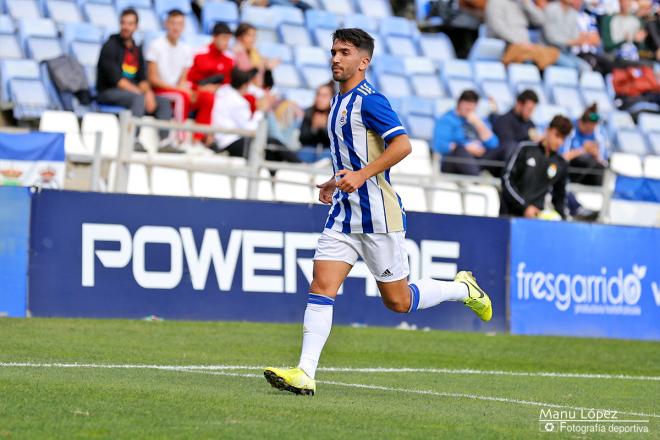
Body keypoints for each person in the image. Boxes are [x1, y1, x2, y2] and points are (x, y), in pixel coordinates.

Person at [263, 28, 492, 396]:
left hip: (378, 217)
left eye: (345, 52)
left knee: (398, 302)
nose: (336, 58)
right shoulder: (338, 101)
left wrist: (361, 175)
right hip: (343, 213)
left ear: (363, 61)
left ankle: (461, 289)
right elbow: (353, 159)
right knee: (322, 285)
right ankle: (305, 372)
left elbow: (403, 145)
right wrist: (334, 181)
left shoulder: (371, 100)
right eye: (334, 51)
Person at [96, 8, 173, 147]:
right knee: (139, 98)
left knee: (163, 102)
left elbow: (142, 79)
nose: (126, 27)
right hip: (108, 92)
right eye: (123, 23)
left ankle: (165, 142)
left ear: (136, 26)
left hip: (131, 92)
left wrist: (148, 93)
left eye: (130, 24)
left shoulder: (136, 49)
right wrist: (142, 94)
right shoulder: (110, 46)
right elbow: (118, 81)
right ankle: (133, 140)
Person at [211, 68, 300, 164]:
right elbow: (250, 129)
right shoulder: (239, 102)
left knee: (272, 149)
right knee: (273, 144)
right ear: (245, 85)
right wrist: (260, 111)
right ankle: (300, 165)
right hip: (232, 143)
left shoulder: (223, 91)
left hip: (223, 140)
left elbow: (257, 91)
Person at [500, 115, 573, 218]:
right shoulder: (525, 149)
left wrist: (566, 222)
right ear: (548, 130)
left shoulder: (561, 163)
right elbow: (506, 180)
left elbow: (559, 200)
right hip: (509, 217)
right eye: (557, 135)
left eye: (563, 138)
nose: (559, 142)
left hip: (536, 220)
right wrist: (524, 207)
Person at [146, 9, 194, 137]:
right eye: (173, 23)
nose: (176, 27)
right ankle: (180, 137)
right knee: (181, 96)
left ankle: (202, 139)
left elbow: (183, 79)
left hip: (174, 90)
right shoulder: (155, 45)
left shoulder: (186, 49)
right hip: (158, 90)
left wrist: (182, 88)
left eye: (179, 24)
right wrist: (179, 89)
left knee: (200, 96)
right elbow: (152, 79)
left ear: (183, 27)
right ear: (166, 24)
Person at [432, 90, 499, 176]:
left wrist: (478, 124)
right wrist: (467, 148)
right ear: (459, 103)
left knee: (504, 148)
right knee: (460, 150)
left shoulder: (478, 120)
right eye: (467, 105)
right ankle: (477, 179)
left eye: (472, 106)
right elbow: (440, 145)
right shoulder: (446, 120)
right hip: (452, 162)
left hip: (476, 159)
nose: (469, 109)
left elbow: (494, 144)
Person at [187, 22, 234, 141]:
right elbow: (188, 78)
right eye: (223, 38)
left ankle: (223, 139)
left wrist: (216, 88)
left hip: (219, 95)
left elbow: (228, 83)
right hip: (196, 93)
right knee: (209, 97)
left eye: (228, 39)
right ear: (214, 37)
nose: (226, 42)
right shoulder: (199, 54)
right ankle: (199, 137)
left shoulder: (229, 59)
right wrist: (200, 88)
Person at [486, 0, 561, 70]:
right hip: (505, 44)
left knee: (554, 56)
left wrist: (527, 4)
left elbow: (540, 20)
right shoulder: (496, 2)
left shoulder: (521, 3)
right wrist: (519, 42)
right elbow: (497, 27)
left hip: (525, 46)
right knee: (530, 61)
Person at [491, 89, 540, 175]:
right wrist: (528, 138)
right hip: (500, 165)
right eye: (529, 109)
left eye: (532, 110)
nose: (530, 113)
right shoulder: (503, 120)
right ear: (519, 104)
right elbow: (507, 144)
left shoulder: (530, 124)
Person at [543, 0, 595, 72]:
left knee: (586, 68)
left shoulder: (573, 13)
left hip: (566, 52)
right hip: (549, 50)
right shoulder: (551, 9)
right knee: (570, 66)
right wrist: (572, 41)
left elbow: (575, 36)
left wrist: (584, 39)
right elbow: (551, 38)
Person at [562, 104, 608, 186]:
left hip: (589, 172)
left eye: (592, 129)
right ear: (580, 122)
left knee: (599, 167)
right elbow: (563, 157)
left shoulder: (598, 133)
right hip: (571, 168)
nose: (589, 132)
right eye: (587, 128)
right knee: (585, 161)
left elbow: (603, 162)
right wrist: (583, 149)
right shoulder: (570, 129)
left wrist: (596, 154)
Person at [299, 82, 333, 149]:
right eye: (318, 95)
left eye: (324, 96)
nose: (320, 99)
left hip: (329, 151)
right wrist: (313, 129)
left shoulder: (336, 114)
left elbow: (338, 141)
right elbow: (302, 139)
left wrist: (324, 129)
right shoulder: (309, 112)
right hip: (310, 150)